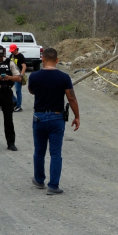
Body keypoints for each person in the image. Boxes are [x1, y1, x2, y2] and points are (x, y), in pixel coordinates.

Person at [28, 48, 80, 195]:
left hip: (39, 117)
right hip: (57, 117)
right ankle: (53, 185)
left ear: (42, 59)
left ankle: (39, 180)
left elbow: (31, 91)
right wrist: (77, 116)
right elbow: (71, 98)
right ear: (57, 60)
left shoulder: (34, 76)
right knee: (55, 153)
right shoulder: (64, 77)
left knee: (39, 151)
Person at [9, 44, 26, 112]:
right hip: (12, 76)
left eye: (12, 51)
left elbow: (24, 66)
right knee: (7, 88)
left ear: (16, 49)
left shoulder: (20, 56)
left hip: (18, 76)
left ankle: (19, 106)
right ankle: (15, 100)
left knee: (18, 91)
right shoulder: (11, 56)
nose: (11, 52)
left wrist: (21, 76)